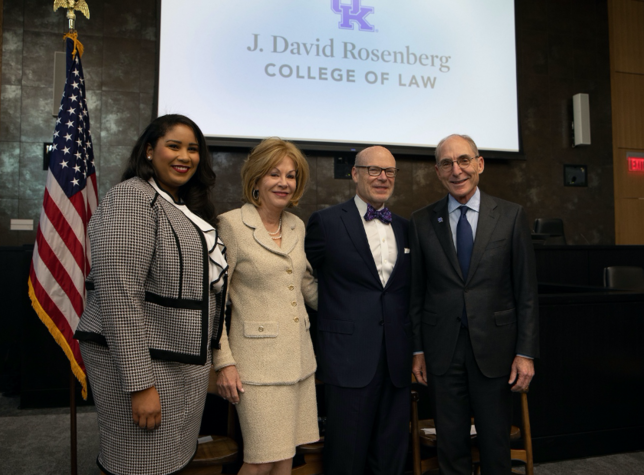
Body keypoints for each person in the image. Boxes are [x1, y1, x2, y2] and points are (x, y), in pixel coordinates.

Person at [74, 114, 228, 475]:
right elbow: (119, 298)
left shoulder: (179, 204)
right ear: (148, 150)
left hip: (177, 364)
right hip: (145, 366)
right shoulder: (132, 198)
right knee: (138, 464)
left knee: (168, 463)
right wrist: (139, 384)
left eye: (193, 149)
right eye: (173, 145)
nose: (185, 156)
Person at [410, 134, 539, 475]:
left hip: (495, 349)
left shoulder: (511, 216)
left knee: (496, 444)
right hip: (442, 350)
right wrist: (418, 349)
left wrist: (526, 353)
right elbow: (416, 293)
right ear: (437, 171)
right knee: (450, 445)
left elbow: (526, 291)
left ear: (479, 164)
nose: (457, 170)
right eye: (447, 163)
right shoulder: (422, 221)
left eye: (464, 160)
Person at [213, 138, 318, 475]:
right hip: (256, 368)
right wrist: (223, 362)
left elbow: (303, 285)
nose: (284, 182)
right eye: (275, 174)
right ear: (257, 178)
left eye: (291, 176)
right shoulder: (230, 225)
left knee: (286, 457)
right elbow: (215, 300)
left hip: (299, 361)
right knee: (260, 461)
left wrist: (358, 301)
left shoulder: (296, 225)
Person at [305, 146, 413, 475]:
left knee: (391, 453)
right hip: (347, 357)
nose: (382, 177)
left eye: (390, 171)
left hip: (396, 358)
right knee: (346, 454)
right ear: (355, 174)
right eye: (373, 170)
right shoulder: (325, 222)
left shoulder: (407, 228)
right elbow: (302, 279)